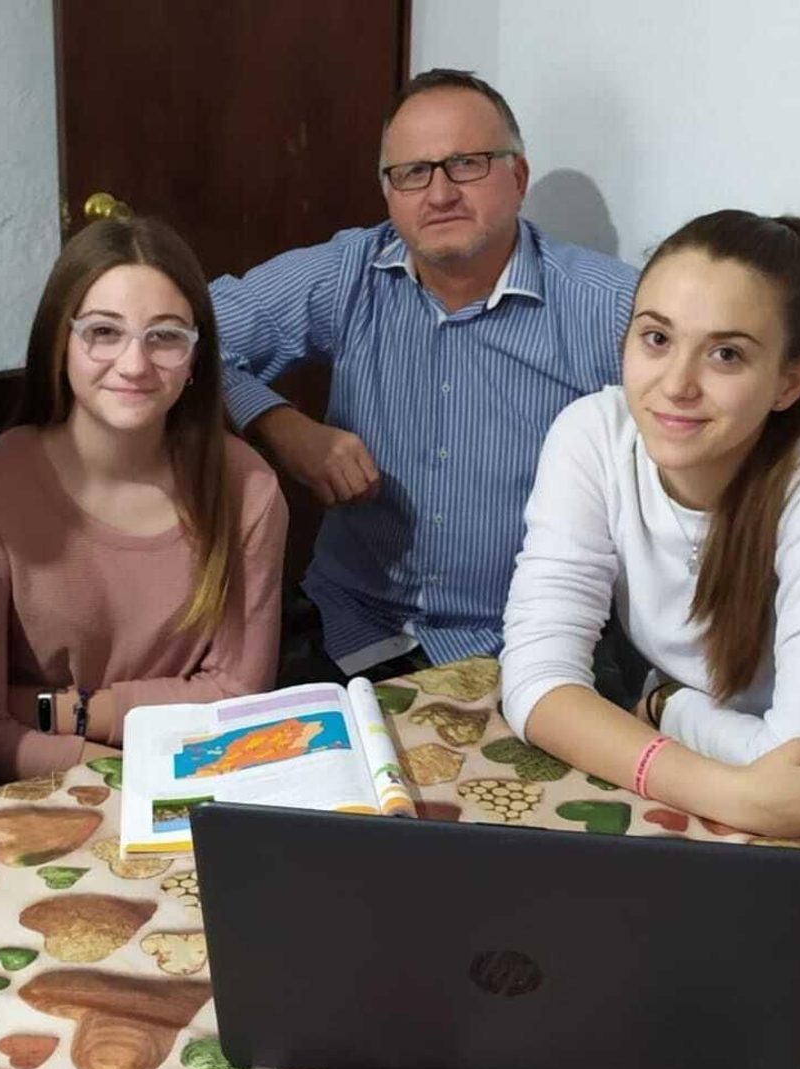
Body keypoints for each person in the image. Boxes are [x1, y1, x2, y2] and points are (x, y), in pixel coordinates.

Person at [501, 209, 800, 853]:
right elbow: (535, 680)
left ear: (790, 382)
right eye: (657, 338)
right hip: (696, 801)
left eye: (726, 354)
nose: (676, 385)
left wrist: (670, 708)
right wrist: (726, 790)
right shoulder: (593, 434)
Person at [211, 69, 639, 684]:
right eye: (412, 172)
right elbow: (187, 332)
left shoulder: (610, 307)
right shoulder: (350, 272)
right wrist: (280, 426)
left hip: (528, 642)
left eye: (466, 164)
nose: (439, 194)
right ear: (389, 193)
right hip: (350, 623)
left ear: (518, 178)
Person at [0, 216, 286, 780]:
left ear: (196, 358)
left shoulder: (248, 488)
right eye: (103, 331)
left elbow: (236, 699)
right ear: (61, 342)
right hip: (34, 789)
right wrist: (119, 771)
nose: (134, 365)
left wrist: (60, 710)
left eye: (165, 336)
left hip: (192, 773)